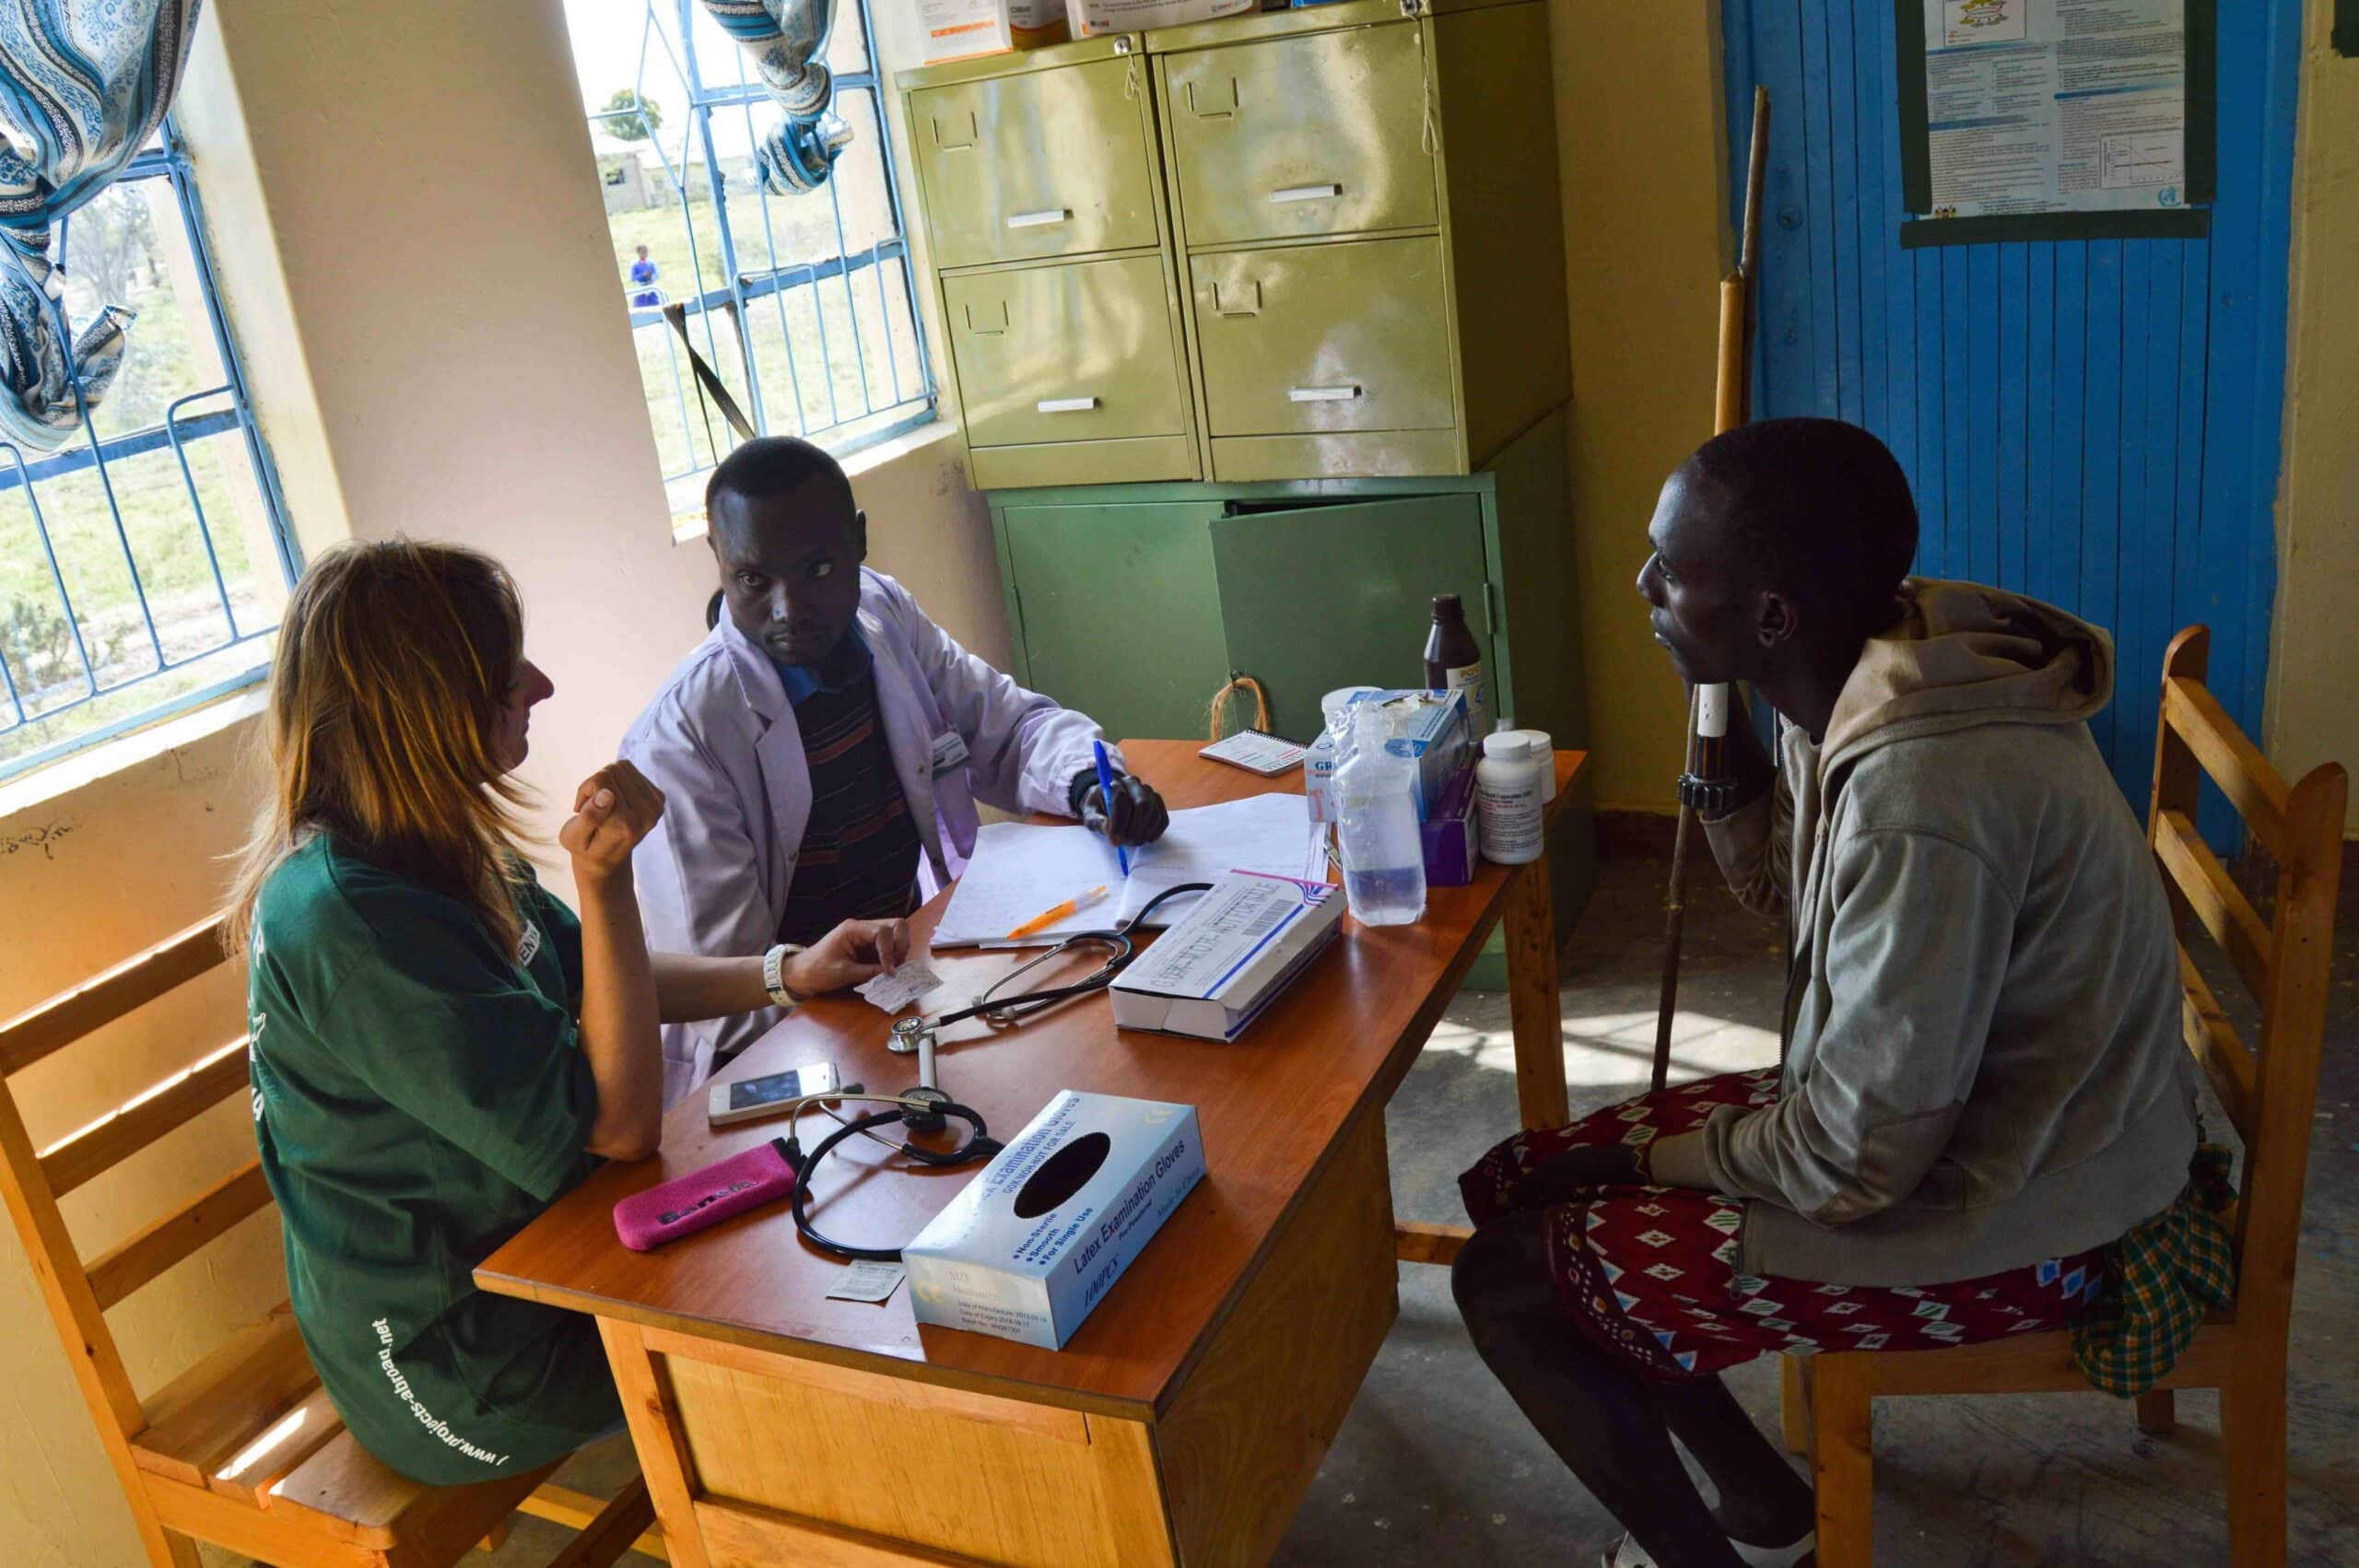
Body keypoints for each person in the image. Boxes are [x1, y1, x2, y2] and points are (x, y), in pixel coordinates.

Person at [1451, 418, 2201, 1568]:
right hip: (1959, 1124)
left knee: (1511, 1279)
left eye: (1671, 568)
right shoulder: (1868, 662)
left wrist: (1640, 1164)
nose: (1643, 582)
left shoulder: (1924, 793)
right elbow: (1776, 884)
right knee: (1511, 1186)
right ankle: (1763, 1508)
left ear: (1770, 616)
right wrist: (1714, 691)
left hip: (2037, 1211)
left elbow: (1855, 1164)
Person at [227, 540, 907, 1485]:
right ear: (425, 705)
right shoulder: (350, 923)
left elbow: (597, 981)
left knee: (832, 1209)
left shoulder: (420, 837)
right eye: (507, 673)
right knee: (815, 1315)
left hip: (552, 1259)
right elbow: (623, 1127)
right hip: (466, 1360)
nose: (539, 686)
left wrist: (786, 972)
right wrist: (606, 880)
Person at [622, 436, 1170, 1105]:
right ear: (720, 562)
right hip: (792, 1054)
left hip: (906, 983)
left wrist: (1090, 785)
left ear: (859, 542)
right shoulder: (684, 737)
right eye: (753, 580)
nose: (790, 609)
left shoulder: (882, 614)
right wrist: (891, 1029)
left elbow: (1012, 727)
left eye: (819, 568)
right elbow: (731, 992)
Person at [628, 243, 660, 308]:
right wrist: (642, 275)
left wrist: (652, 279)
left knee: (655, 305)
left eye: (646, 252)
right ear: (638, 253)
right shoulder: (635, 265)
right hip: (641, 289)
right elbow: (633, 278)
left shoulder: (651, 263)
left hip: (651, 287)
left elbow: (656, 273)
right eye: (643, 252)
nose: (645, 254)